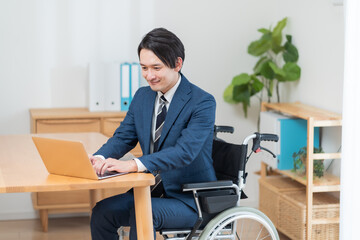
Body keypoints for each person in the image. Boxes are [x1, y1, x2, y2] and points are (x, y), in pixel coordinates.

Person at [90, 27, 217, 240]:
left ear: (177, 63)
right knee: (102, 212)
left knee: (142, 214)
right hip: (148, 191)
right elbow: (123, 137)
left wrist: (133, 164)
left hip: (189, 199)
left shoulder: (202, 102)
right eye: (144, 68)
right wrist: (99, 158)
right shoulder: (142, 96)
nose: (149, 76)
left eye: (156, 68)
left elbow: (184, 152)